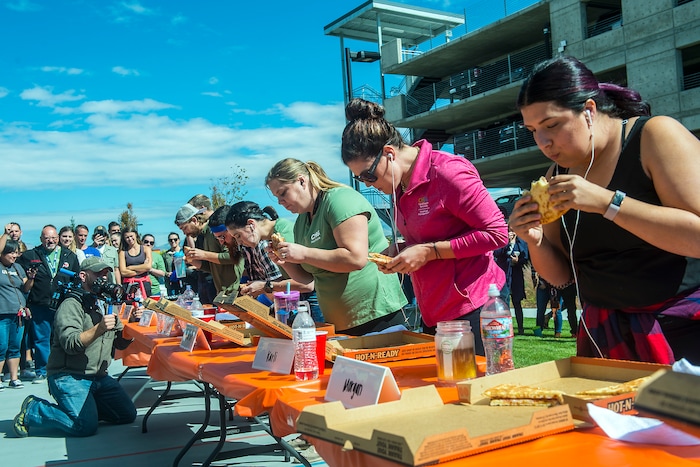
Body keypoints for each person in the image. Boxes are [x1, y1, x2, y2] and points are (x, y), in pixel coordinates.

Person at [509, 56, 700, 364]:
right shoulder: (554, 175)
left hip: (684, 330)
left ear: (588, 110)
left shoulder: (655, 136)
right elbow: (562, 277)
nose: (543, 142)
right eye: (532, 130)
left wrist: (607, 203)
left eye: (552, 125)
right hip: (605, 337)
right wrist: (534, 239)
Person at [340, 98, 507, 353]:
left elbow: (496, 234)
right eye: (359, 178)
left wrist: (429, 251)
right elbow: (431, 235)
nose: (366, 184)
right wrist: (403, 249)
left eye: (368, 175)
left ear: (389, 153)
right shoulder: (399, 185)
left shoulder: (447, 172)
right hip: (434, 309)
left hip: (474, 306)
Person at [265, 158, 407, 335]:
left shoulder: (339, 199)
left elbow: (355, 258)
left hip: (375, 317)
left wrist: (303, 254)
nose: (280, 202)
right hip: (338, 323)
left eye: (283, 193)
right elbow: (307, 280)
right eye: (277, 197)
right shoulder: (302, 221)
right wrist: (284, 260)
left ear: (302, 181)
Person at [12, 256, 137, 437]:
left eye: (105, 274)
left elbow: (119, 342)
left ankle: (86, 411)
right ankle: (34, 409)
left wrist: (132, 324)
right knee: (84, 426)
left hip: (98, 377)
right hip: (68, 375)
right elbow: (71, 344)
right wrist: (100, 328)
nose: (103, 279)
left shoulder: (105, 304)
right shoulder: (71, 304)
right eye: (98, 274)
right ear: (83, 276)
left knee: (127, 414)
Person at [225, 200, 323, 322]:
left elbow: (307, 284)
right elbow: (299, 278)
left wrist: (265, 286)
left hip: (315, 303)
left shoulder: (283, 233)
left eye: (238, 236)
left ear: (251, 224)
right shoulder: (274, 238)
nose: (239, 242)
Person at [17, 225, 80, 383]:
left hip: (62, 303)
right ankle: (42, 370)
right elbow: (18, 274)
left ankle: (62, 368)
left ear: (58, 238)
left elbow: (77, 279)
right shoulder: (30, 255)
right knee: (41, 339)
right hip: (39, 303)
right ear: (41, 239)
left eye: (53, 238)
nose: (50, 241)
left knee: (62, 337)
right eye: (46, 238)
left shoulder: (69, 255)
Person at [0, 240, 36, 389]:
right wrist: (6, 234)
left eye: (16, 252)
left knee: (15, 346)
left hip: (18, 313)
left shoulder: (18, 267)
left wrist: (32, 277)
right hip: (2, 313)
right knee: (1, 346)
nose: (15, 255)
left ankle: (14, 378)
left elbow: (26, 288)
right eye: (11, 252)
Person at [493, 229, 529, 335]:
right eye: (510, 230)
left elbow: (525, 257)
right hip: (504, 276)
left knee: (517, 302)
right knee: (504, 302)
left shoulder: (521, 242)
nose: (512, 232)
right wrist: (508, 242)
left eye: (514, 230)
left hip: (516, 276)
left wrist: (518, 261)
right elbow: (497, 253)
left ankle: (521, 328)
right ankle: (506, 327)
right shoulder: (502, 241)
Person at [118, 227, 152, 299]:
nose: (130, 239)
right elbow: (123, 272)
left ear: (136, 235)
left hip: (144, 283)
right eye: (127, 237)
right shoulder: (123, 252)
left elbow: (148, 266)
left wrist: (130, 268)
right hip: (129, 285)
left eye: (131, 236)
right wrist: (142, 268)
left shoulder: (146, 249)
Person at [141, 233, 167, 297]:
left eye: (151, 243)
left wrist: (150, 269)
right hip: (140, 290)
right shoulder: (136, 255)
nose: (148, 244)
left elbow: (162, 273)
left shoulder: (157, 256)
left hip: (154, 291)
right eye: (146, 242)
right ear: (142, 242)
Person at [162, 232, 183, 296]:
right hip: (171, 284)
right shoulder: (166, 255)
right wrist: (167, 273)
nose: (173, 241)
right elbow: (162, 269)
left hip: (183, 283)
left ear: (179, 240)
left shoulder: (183, 252)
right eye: (170, 240)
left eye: (175, 239)